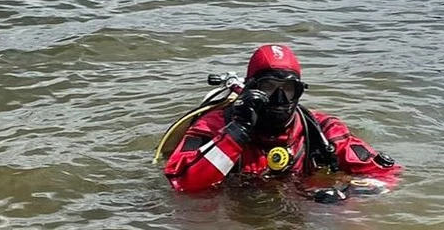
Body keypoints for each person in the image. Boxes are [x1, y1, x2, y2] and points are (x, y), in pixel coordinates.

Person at [163, 44, 402, 196]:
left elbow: (386, 174)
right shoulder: (215, 126)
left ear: (299, 92)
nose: (278, 99)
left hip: (296, 210)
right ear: (251, 90)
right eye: (267, 88)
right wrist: (236, 134)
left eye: (288, 89)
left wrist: (346, 195)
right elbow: (182, 183)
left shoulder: (322, 130)